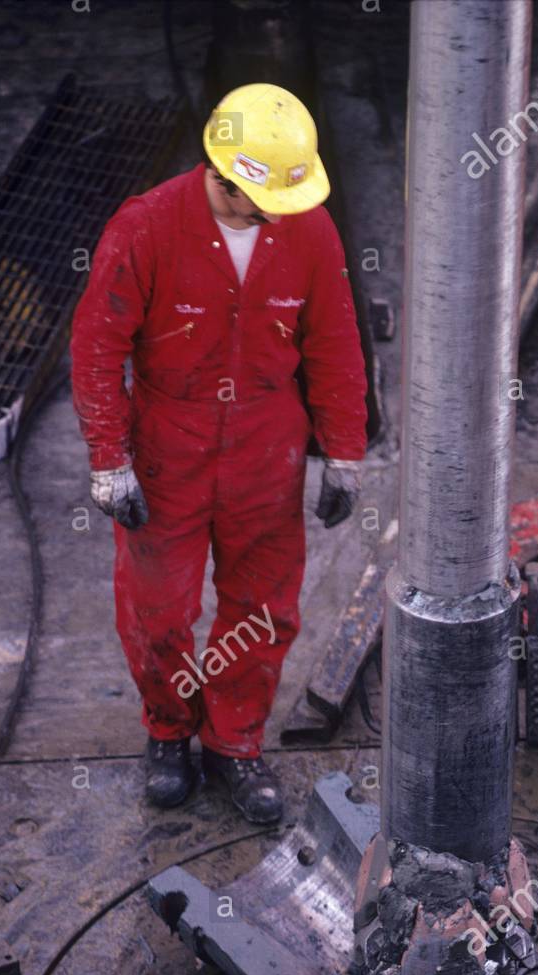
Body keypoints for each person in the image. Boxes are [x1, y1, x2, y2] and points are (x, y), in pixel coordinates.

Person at [71, 84, 367, 823]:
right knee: (157, 612)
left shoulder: (309, 229)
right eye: (263, 203)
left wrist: (344, 450)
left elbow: (334, 341)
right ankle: (169, 731)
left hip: (266, 450)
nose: (277, 218)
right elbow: (98, 345)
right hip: (166, 448)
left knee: (262, 609)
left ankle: (234, 742)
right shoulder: (145, 228)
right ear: (224, 176)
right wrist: (109, 459)